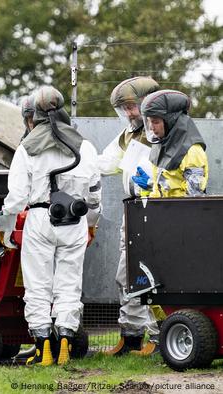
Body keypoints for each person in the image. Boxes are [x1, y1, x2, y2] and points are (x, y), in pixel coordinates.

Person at [0, 86, 101, 366]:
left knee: (38, 286)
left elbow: (16, 197)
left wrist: (5, 229)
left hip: (40, 219)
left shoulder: (28, 147)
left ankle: (43, 347)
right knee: (69, 285)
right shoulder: (85, 146)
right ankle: (65, 341)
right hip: (75, 221)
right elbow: (94, 196)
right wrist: (91, 224)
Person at [99, 77, 162, 357]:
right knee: (127, 276)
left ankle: (160, 337)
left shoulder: (163, 131)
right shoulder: (129, 133)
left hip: (155, 210)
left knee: (152, 275)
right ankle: (132, 337)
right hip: (133, 209)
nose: (128, 113)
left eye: (131, 106)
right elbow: (106, 162)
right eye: (123, 108)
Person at [133, 89, 207, 198]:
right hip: (163, 211)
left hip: (180, 213)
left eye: (156, 122)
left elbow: (194, 199)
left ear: (171, 121)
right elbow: (165, 187)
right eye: (148, 121)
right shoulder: (160, 146)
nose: (151, 127)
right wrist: (151, 184)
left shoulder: (192, 151)